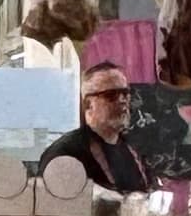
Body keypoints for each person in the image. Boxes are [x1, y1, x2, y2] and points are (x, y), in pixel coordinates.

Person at [37, 62, 152, 197]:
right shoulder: (65, 153)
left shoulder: (134, 149)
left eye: (125, 93)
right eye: (111, 95)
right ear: (88, 105)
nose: (122, 100)